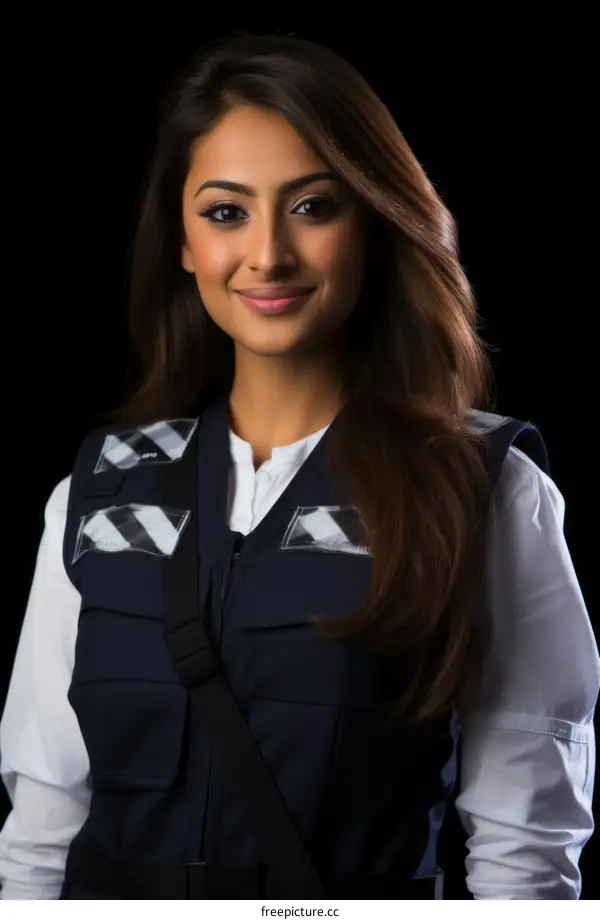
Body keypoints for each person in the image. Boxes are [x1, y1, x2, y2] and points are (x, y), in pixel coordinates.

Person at [0, 32, 598, 901]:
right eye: (225, 211)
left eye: (314, 207)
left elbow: (527, 860)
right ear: (182, 240)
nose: (269, 254)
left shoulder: (483, 490)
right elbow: (39, 832)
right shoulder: (96, 496)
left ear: (375, 224)